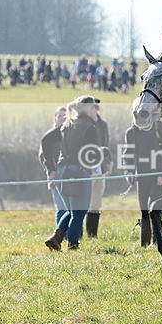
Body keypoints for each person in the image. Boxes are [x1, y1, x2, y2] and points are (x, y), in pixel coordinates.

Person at [44, 96, 106, 251]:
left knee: (71, 211)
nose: (96, 110)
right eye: (94, 107)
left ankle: (56, 238)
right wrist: (102, 156)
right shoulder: (90, 127)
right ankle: (73, 245)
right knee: (79, 212)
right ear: (89, 109)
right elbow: (91, 154)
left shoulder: (66, 124)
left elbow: (45, 141)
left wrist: (51, 167)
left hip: (61, 172)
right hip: (78, 172)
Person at [123, 117, 162, 246]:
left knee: (153, 206)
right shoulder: (131, 132)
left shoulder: (160, 128)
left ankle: (158, 241)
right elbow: (128, 154)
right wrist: (129, 172)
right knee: (144, 209)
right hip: (142, 177)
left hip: (159, 177)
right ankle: (144, 244)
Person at [39, 105, 68, 239]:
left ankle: (71, 235)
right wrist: (51, 170)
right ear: (55, 119)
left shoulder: (70, 134)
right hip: (55, 176)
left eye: (64, 115)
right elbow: (42, 157)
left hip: (69, 176)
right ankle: (60, 237)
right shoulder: (49, 137)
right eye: (59, 116)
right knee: (61, 208)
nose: (62, 118)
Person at [84, 98, 109, 239]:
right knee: (83, 201)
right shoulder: (83, 124)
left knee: (96, 202)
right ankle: (77, 234)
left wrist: (107, 163)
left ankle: (92, 235)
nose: (96, 108)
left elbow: (106, 144)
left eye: (96, 106)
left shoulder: (102, 124)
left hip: (100, 166)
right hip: (86, 166)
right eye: (93, 106)